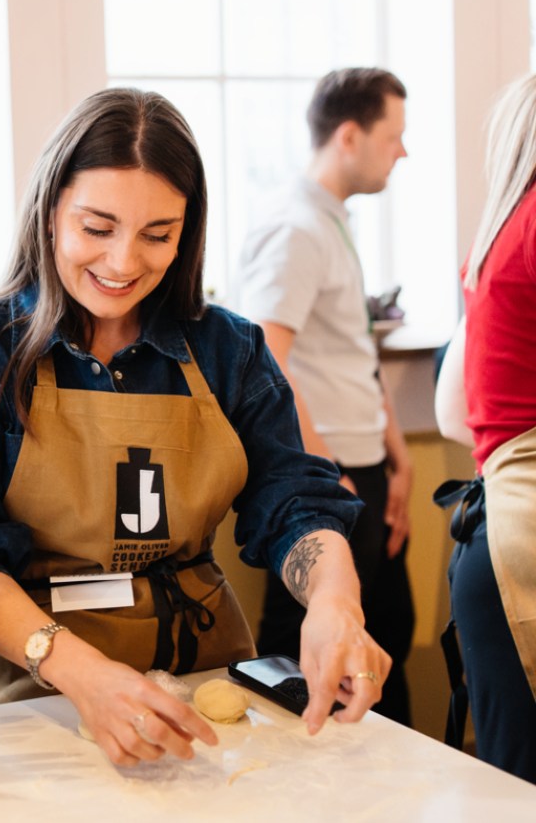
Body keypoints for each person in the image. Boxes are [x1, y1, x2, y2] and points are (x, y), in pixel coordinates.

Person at [0, 87, 389, 768]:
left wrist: (335, 604)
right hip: (30, 690)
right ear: (50, 211)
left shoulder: (229, 352)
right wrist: (83, 674)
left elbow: (294, 498)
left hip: (204, 684)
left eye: (158, 236)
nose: (122, 264)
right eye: (97, 227)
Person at [235, 67, 415, 725]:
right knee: (310, 656)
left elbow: (353, 351)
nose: (403, 151)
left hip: (361, 463)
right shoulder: (295, 229)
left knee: (387, 633)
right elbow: (268, 362)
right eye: (393, 136)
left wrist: (398, 455)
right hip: (325, 473)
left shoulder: (333, 222)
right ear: (349, 136)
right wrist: (323, 476)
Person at [433, 73, 536, 784]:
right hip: (522, 539)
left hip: (497, 526)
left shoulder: (506, 226)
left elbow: (449, 410)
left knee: (514, 779)